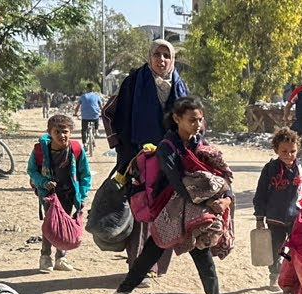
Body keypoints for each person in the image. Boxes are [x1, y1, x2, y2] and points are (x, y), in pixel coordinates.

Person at [109, 97, 240, 294]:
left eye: (200, 120)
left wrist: (226, 199)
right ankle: (123, 293)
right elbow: (177, 182)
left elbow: (218, 175)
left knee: (201, 254)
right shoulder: (167, 147)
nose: (197, 124)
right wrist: (207, 203)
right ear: (177, 119)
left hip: (195, 207)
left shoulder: (199, 144)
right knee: (153, 252)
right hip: (171, 208)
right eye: (192, 120)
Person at [102, 39, 189, 280]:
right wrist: (121, 147)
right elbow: (109, 112)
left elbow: (191, 120)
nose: (161, 60)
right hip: (138, 158)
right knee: (141, 210)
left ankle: (155, 266)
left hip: (169, 159)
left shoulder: (180, 87)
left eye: (166, 55)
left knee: (166, 210)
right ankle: (136, 265)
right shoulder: (133, 82)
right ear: (149, 57)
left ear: (172, 60)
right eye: (157, 54)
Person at [254, 128, 302, 291]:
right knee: (276, 249)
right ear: (276, 150)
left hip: (296, 217)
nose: (289, 155)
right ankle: (274, 274)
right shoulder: (270, 169)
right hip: (275, 218)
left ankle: (296, 276)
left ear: (298, 149)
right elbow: (261, 194)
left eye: (293, 151)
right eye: (284, 151)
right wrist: (259, 218)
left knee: (298, 248)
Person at [27, 114, 92, 273]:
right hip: (49, 194)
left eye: (65, 132)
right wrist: (43, 182)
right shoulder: (40, 150)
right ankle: (45, 257)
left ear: (70, 132)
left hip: (70, 194)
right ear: (50, 132)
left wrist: (82, 195)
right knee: (50, 224)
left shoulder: (76, 150)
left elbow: (85, 175)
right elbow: (32, 170)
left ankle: (61, 258)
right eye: (57, 132)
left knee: (64, 225)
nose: (61, 136)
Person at [75, 82, 104, 149]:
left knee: (84, 130)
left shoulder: (83, 96)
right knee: (96, 117)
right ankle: (96, 131)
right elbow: (101, 106)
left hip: (85, 116)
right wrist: (102, 113)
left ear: (87, 88)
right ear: (93, 88)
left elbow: (77, 107)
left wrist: (75, 113)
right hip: (94, 115)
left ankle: (84, 143)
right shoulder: (97, 96)